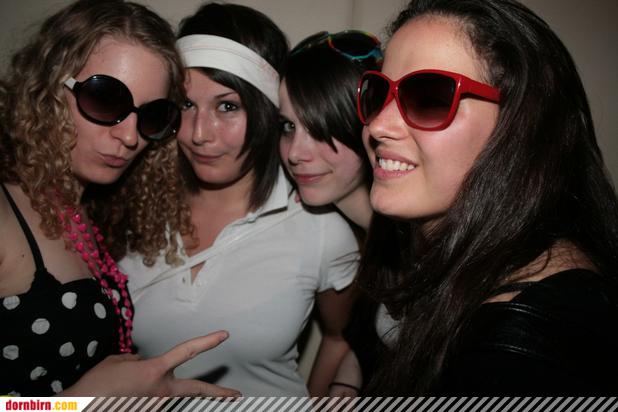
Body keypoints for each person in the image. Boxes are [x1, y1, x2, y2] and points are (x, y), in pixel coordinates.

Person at [357, 0, 618, 395]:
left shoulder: (520, 352)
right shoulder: (468, 263)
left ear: (520, 127)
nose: (378, 125)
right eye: (379, 93)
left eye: (429, 97)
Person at [0, 0, 239, 397]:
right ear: (49, 88)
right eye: (105, 99)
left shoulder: (88, 212)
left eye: (151, 115)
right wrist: (79, 403)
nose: (130, 137)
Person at [119, 2, 359, 397]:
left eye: (227, 106)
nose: (199, 133)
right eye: (186, 105)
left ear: (266, 112)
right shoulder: (132, 208)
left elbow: (339, 336)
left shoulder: (320, 228)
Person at [278, 30, 383, 396]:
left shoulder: (422, 239)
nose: (295, 153)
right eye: (288, 127)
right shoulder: (369, 237)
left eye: (319, 129)